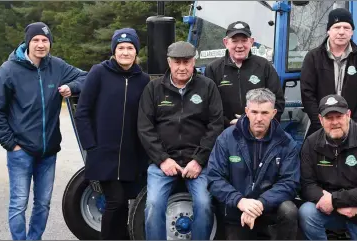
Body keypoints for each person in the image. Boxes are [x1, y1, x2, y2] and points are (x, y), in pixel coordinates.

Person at [0, 22, 86, 240]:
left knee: (43, 203)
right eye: (36, 40)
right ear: (27, 42)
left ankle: (35, 238)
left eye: (45, 40)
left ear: (50, 43)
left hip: (48, 151)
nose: (41, 45)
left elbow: (87, 77)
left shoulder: (57, 67)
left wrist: (72, 87)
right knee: (19, 203)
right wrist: (12, 144)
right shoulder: (9, 70)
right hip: (21, 151)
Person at [137, 41, 224, 240]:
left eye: (187, 62)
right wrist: (162, 159)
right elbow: (145, 127)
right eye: (177, 62)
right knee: (153, 205)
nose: (182, 67)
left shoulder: (207, 86)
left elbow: (216, 125)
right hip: (163, 163)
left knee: (204, 204)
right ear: (169, 62)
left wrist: (199, 160)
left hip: (198, 164)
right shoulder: (154, 88)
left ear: (194, 62)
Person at [74, 28, 149, 240]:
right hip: (103, 154)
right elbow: (83, 112)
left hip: (129, 155)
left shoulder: (142, 80)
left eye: (130, 48)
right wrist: (91, 145)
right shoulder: (98, 72)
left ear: (136, 52)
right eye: (121, 47)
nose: (125, 52)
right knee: (115, 201)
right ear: (114, 51)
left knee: (124, 203)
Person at [207, 88, 300, 240]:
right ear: (246, 111)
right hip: (236, 210)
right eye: (254, 112)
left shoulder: (286, 142)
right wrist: (239, 201)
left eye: (264, 113)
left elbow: (290, 182)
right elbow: (214, 177)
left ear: (274, 113)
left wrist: (261, 203)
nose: (259, 118)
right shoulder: (227, 138)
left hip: (270, 209)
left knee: (289, 210)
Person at [298, 94, 357, 240]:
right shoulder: (311, 143)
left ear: (348, 115)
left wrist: (335, 200)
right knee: (307, 213)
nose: (335, 122)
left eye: (339, 116)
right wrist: (336, 204)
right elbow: (307, 185)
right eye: (329, 118)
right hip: (334, 211)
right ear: (320, 120)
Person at [300, 8, 357, 137]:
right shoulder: (313, 57)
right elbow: (307, 94)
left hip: (352, 128)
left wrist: (353, 127)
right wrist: (321, 124)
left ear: (352, 32)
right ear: (328, 30)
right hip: (320, 127)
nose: (341, 32)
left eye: (346, 28)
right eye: (337, 27)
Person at [204, 21, 285, 128]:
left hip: (260, 131)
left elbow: (278, 101)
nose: (240, 46)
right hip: (226, 132)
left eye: (244, 41)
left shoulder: (265, 66)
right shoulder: (213, 69)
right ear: (226, 42)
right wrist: (228, 123)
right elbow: (209, 106)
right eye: (235, 41)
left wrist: (255, 123)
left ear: (251, 42)